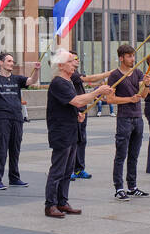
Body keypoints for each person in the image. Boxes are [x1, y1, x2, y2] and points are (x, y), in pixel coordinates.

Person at [44, 50, 110, 218]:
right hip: (61, 133)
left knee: (67, 171)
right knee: (58, 170)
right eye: (71, 61)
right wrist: (98, 91)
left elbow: (71, 104)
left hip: (72, 130)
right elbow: (78, 100)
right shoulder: (58, 82)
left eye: (74, 61)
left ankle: (62, 202)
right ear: (60, 65)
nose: (75, 64)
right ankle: (50, 205)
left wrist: (77, 114)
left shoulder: (68, 82)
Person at [0, 51, 38, 189]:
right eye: (9, 61)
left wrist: (36, 70)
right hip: (3, 118)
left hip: (17, 118)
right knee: (1, 149)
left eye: (13, 61)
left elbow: (31, 81)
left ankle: (14, 178)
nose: (12, 63)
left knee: (15, 149)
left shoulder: (17, 79)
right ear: (1, 63)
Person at [105, 44, 149, 200]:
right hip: (124, 119)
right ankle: (119, 188)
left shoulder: (137, 72)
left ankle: (132, 186)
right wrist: (128, 99)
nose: (133, 59)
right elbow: (109, 99)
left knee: (134, 155)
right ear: (121, 58)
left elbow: (143, 95)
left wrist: (147, 85)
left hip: (138, 118)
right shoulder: (115, 76)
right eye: (129, 56)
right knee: (121, 155)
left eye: (133, 56)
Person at [71, 66, 109, 180]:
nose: (76, 61)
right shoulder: (72, 74)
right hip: (75, 110)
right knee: (74, 141)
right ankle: (70, 169)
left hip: (83, 110)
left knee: (82, 140)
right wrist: (108, 73)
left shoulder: (75, 72)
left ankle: (79, 169)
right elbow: (90, 79)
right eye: (74, 58)